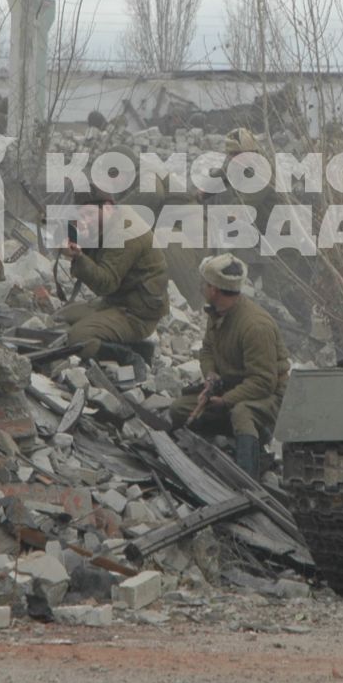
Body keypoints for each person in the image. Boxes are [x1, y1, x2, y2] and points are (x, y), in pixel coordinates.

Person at [188, 252, 290, 476]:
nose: (201, 288)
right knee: (181, 409)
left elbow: (264, 382)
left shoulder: (255, 326)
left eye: (204, 284)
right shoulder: (217, 312)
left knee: (242, 413)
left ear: (214, 290)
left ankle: (248, 476)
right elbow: (207, 349)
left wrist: (225, 400)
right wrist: (210, 376)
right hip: (232, 384)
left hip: (269, 394)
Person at [59, 188, 168, 352]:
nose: (86, 220)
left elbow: (106, 284)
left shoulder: (125, 233)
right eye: (82, 216)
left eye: (89, 214)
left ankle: (133, 355)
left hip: (137, 315)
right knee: (60, 319)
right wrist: (77, 238)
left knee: (78, 338)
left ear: (108, 207)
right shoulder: (111, 220)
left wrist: (79, 257)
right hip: (117, 301)